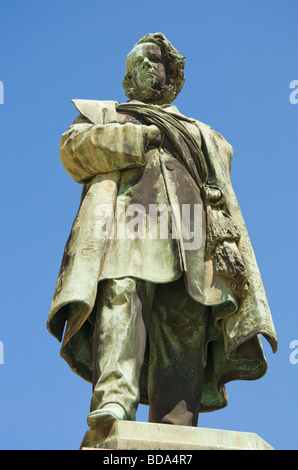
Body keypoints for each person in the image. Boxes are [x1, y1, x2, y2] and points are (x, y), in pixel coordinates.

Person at [47, 33, 277, 429]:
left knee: (185, 318)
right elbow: (74, 150)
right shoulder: (105, 114)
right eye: (144, 62)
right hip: (129, 221)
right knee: (122, 295)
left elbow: (221, 167)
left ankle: (176, 423)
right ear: (128, 78)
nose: (153, 68)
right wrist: (141, 136)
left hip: (192, 229)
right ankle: (114, 399)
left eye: (160, 63)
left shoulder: (198, 130)